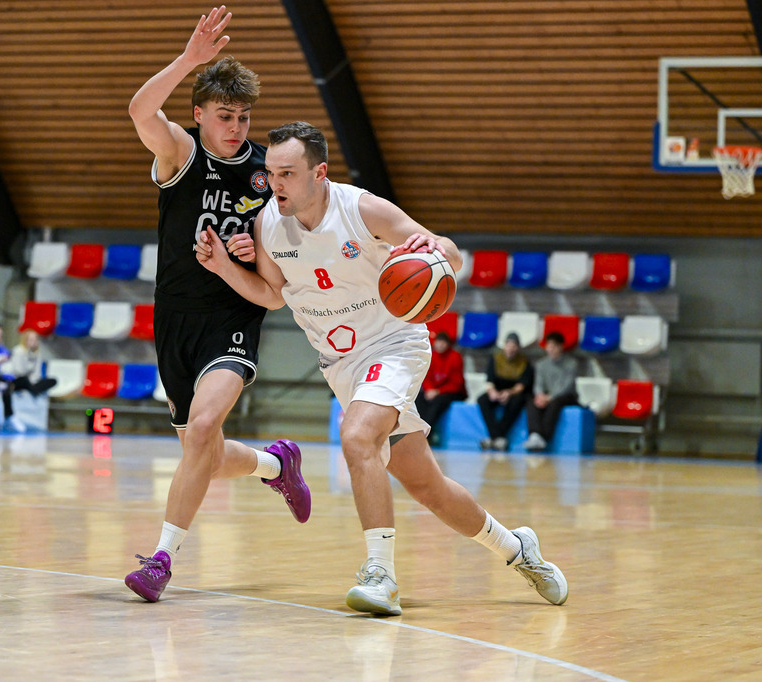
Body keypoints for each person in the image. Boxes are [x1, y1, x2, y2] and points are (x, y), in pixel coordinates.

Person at [197, 121, 568, 615]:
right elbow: (272, 295)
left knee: (355, 437)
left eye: (287, 173)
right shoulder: (269, 223)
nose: (275, 183)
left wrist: (429, 249)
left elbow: (451, 254)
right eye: (271, 172)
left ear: (319, 173)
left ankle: (380, 575)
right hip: (341, 364)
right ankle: (517, 549)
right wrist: (225, 266)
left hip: (394, 344)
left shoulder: (361, 208)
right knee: (426, 486)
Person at [122, 6, 310, 604]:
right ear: (199, 114)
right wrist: (189, 60)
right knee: (198, 448)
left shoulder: (265, 176)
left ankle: (161, 561)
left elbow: (275, 286)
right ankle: (275, 465)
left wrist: (247, 254)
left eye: (244, 117)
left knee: (203, 426)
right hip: (173, 318)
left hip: (232, 318)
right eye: (224, 116)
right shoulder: (180, 154)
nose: (236, 126)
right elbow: (139, 111)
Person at [477, 332, 533, 452]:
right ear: (504, 346)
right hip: (497, 390)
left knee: (517, 402)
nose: (511, 349)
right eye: (508, 345)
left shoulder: (524, 362)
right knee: (482, 399)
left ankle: (494, 437)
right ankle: (498, 437)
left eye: (514, 346)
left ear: (518, 347)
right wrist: (492, 392)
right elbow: (490, 379)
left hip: (514, 392)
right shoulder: (496, 358)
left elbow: (522, 384)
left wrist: (509, 393)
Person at [524, 331, 579, 452]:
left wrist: (550, 397)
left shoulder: (571, 364)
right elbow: (538, 383)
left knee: (555, 404)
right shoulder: (541, 364)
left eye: (554, 346)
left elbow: (567, 386)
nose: (550, 349)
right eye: (548, 346)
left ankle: (544, 437)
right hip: (545, 395)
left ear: (561, 346)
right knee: (531, 402)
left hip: (565, 396)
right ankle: (534, 435)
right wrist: (539, 395)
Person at [414, 331, 466, 445]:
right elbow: (425, 377)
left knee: (438, 402)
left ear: (448, 344)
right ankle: (417, 431)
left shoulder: (455, 357)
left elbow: (456, 383)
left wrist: (438, 391)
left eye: (443, 342)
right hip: (433, 390)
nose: (440, 345)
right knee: (419, 399)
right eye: (438, 342)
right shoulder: (431, 356)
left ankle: (426, 434)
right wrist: (429, 390)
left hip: (452, 392)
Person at [0, 329, 57, 397]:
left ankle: (33, 389)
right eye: (31, 340)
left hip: (30, 381)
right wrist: (29, 379)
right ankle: (34, 390)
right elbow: (18, 371)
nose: (34, 342)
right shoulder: (18, 351)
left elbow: (37, 372)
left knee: (53, 380)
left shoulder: (37, 353)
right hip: (17, 379)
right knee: (24, 380)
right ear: (26, 340)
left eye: (36, 340)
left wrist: (33, 381)